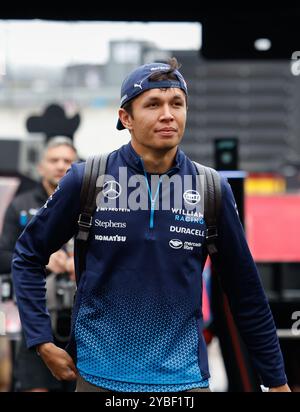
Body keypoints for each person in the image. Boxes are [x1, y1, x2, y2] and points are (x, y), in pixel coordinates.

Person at [12, 58, 290, 392]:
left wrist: (276, 382)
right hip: (99, 378)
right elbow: (27, 255)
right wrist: (41, 340)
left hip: (183, 381)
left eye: (177, 103)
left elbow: (246, 292)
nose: (168, 114)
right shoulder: (88, 179)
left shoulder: (210, 188)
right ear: (125, 117)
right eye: (153, 104)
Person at [0, 136, 78, 391]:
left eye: (67, 160)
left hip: (84, 321)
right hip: (36, 317)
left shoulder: (91, 205)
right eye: (54, 160)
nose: (60, 165)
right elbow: (3, 257)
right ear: (40, 167)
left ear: (77, 166)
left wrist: (82, 264)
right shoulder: (20, 205)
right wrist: (41, 260)